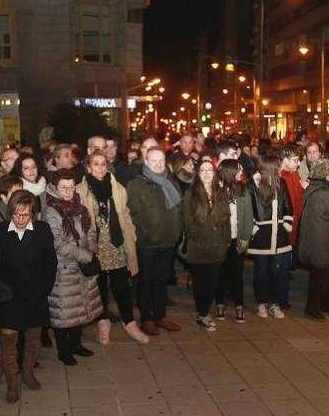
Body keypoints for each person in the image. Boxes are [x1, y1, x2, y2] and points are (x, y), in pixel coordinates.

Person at [0, 190, 57, 403]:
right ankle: (12, 382)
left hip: (34, 296)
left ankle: (28, 373)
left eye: (25, 215)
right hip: (9, 297)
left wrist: (44, 289)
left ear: (33, 214)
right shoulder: (0, 230)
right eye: (16, 214)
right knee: (9, 343)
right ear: (10, 212)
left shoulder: (42, 230)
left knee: (32, 340)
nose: (20, 219)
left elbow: (50, 262)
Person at [77, 152, 149, 344]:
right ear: (88, 168)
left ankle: (130, 323)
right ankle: (103, 323)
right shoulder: (80, 191)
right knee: (99, 287)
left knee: (122, 286)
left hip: (116, 244)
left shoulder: (117, 188)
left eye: (103, 164)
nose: (100, 168)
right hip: (96, 246)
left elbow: (125, 215)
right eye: (96, 164)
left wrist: (131, 236)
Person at [43, 169, 104, 364]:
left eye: (71, 187)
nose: (69, 192)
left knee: (81, 307)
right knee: (64, 312)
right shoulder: (51, 210)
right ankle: (64, 350)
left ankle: (76, 344)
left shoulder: (79, 204)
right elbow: (57, 244)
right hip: (65, 268)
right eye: (64, 188)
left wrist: (92, 248)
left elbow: (91, 229)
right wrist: (86, 255)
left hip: (83, 264)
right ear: (55, 187)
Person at [127, 147, 184, 335]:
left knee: (161, 281)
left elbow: (178, 209)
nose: (159, 164)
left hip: (168, 240)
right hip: (147, 243)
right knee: (145, 281)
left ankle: (161, 316)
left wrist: (177, 231)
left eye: (161, 160)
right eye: (154, 161)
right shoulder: (137, 184)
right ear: (146, 161)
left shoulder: (170, 181)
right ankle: (147, 318)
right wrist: (143, 234)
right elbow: (133, 214)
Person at [182, 160, 232, 331]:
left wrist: (225, 242)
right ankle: (202, 314)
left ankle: (204, 311)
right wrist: (199, 238)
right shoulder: (191, 194)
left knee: (212, 283)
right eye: (202, 170)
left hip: (218, 247)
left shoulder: (221, 193)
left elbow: (226, 219)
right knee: (201, 282)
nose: (206, 173)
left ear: (215, 172)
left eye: (209, 170)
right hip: (199, 247)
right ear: (198, 173)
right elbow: (188, 221)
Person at [298, 160, 329, 320]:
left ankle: (324, 304)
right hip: (324, 241)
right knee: (321, 276)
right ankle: (313, 308)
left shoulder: (310, 189)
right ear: (326, 175)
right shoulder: (328, 193)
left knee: (319, 274)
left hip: (311, 239)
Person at [248, 155, 294, 319]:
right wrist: (254, 229)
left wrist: (286, 225)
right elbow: (250, 208)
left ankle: (275, 303)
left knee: (279, 272)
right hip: (262, 237)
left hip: (279, 236)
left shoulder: (281, 184)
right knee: (261, 271)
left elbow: (288, 206)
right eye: (278, 166)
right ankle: (262, 302)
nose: (281, 168)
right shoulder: (253, 185)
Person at [215, 159, 254, 323]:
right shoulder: (217, 190)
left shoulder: (243, 190)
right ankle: (220, 303)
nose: (241, 172)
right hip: (221, 240)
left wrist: (245, 236)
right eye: (238, 170)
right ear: (229, 172)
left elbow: (248, 215)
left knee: (238, 274)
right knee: (221, 274)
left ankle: (239, 305)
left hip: (237, 239)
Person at [279, 147, 304, 247]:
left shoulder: (295, 175)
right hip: (285, 226)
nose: (298, 164)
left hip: (295, 225)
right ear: (285, 160)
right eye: (295, 160)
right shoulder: (279, 177)